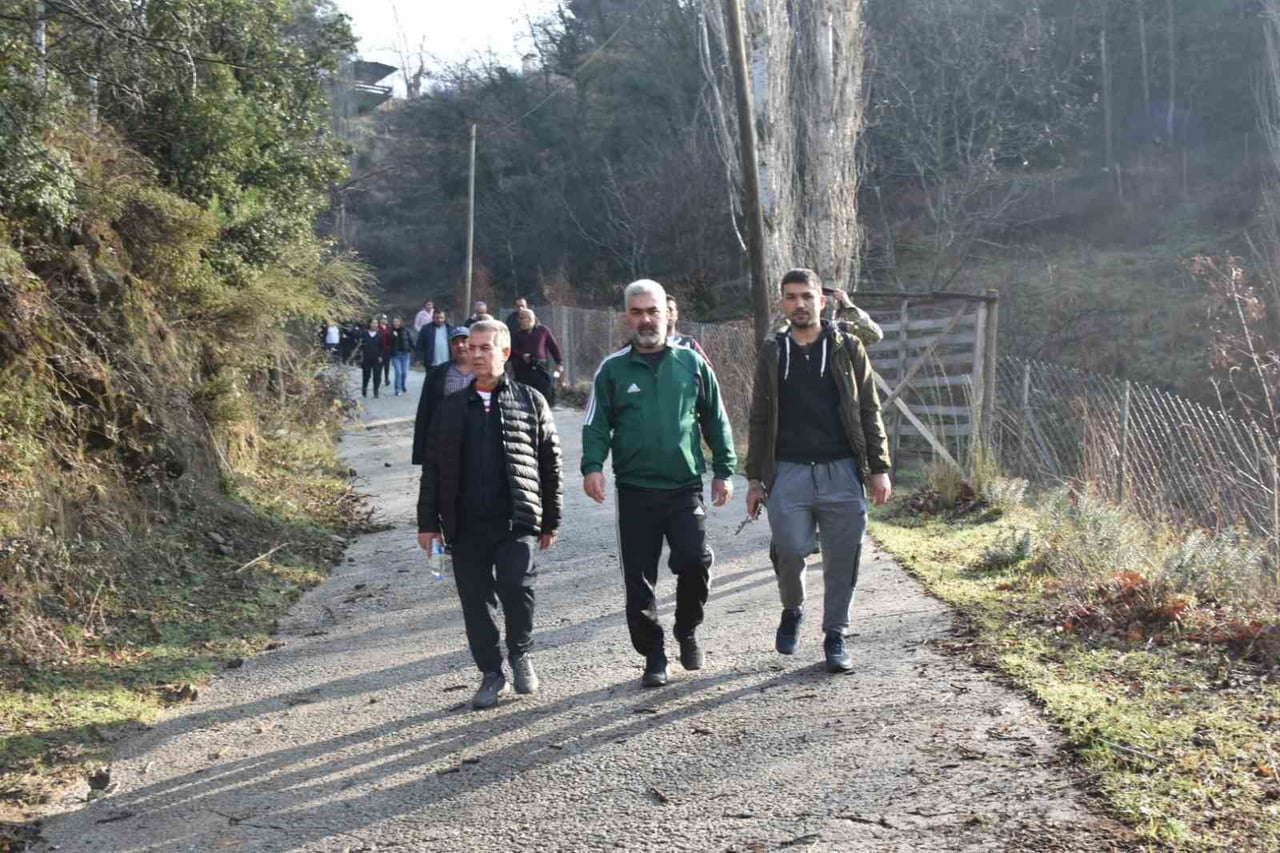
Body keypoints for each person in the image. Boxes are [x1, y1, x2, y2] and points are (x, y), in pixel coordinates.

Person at [582, 279, 736, 689]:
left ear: (668, 313)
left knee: (693, 559)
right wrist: (592, 466)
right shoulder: (612, 369)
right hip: (634, 489)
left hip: (684, 486)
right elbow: (596, 424)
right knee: (639, 579)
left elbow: (715, 419)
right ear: (626, 317)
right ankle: (653, 655)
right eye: (636, 312)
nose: (645, 319)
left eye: (652, 311)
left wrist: (724, 469)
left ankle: (687, 630)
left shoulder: (692, 363)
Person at [744, 268, 893, 674]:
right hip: (788, 471)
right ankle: (793, 609)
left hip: (841, 469)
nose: (800, 304)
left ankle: (835, 635)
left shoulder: (847, 347)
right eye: (791, 297)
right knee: (790, 549)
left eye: (807, 296)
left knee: (843, 557)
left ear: (821, 301)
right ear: (783, 303)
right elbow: (759, 417)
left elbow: (868, 409)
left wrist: (878, 468)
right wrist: (755, 479)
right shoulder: (773, 350)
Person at [418, 320, 563, 710]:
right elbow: (432, 468)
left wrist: (551, 519)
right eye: (471, 347)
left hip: (515, 519)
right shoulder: (450, 407)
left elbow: (550, 464)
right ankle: (490, 673)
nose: (475, 354)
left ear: (505, 353)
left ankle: (520, 654)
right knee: (475, 601)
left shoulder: (531, 400)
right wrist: (428, 523)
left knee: (518, 588)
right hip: (464, 524)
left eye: (485, 347)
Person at [412, 326, 472, 465]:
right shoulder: (437, 374)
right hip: (447, 438)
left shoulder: (484, 372)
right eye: (455, 342)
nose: (460, 345)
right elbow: (424, 413)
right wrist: (421, 452)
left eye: (464, 340)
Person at [510, 308, 563, 407]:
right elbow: (512, 350)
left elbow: (553, 346)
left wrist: (559, 362)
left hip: (540, 369)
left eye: (522, 318)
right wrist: (522, 355)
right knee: (525, 400)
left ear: (530, 319)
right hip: (523, 371)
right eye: (519, 318)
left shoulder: (542, 330)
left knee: (544, 397)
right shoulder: (517, 334)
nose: (519, 321)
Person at [666, 295, 711, 365]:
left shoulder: (689, 344)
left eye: (670, 310)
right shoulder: (649, 345)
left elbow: (707, 369)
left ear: (676, 314)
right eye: (664, 310)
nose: (667, 314)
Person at [357, 319, 387, 398]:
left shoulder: (380, 334)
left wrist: (381, 356)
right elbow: (360, 346)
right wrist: (360, 356)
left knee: (377, 376)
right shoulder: (364, 333)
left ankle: (376, 390)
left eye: (376, 323)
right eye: (373, 323)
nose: (375, 325)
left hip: (377, 358)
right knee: (366, 374)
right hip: (366, 357)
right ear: (369, 324)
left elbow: (383, 347)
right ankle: (364, 388)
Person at [388, 317, 413, 396]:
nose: (396, 323)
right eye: (394, 322)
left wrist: (416, 351)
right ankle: (397, 389)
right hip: (396, 355)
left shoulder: (406, 331)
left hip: (405, 354)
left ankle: (403, 385)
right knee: (398, 372)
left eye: (397, 322)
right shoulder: (390, 332)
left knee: (404, 373)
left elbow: (410, 341)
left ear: (401, 322)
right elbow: (389, 343)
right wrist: (394, 336)